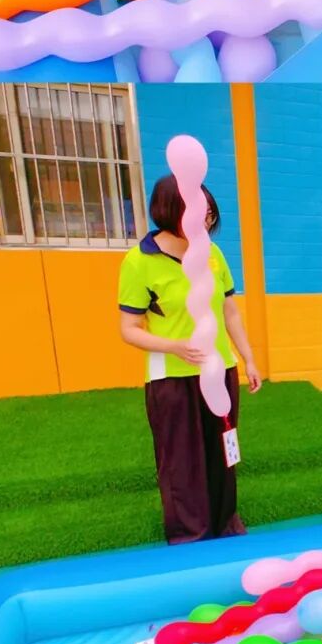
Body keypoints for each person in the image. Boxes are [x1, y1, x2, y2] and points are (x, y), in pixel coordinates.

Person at [119, 175, 262, 544]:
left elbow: (229, 311)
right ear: (170, 211)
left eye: (210, 215)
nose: (207, 222)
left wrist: (247, 359)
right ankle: (190, 536)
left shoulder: (213, 254)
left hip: (220, 371)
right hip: (171, 377)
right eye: (200, 214)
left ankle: (226, 524)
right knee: (180, 462)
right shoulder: (139, 261)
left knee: (223, 453)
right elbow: (129, 329)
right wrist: (174, 346)